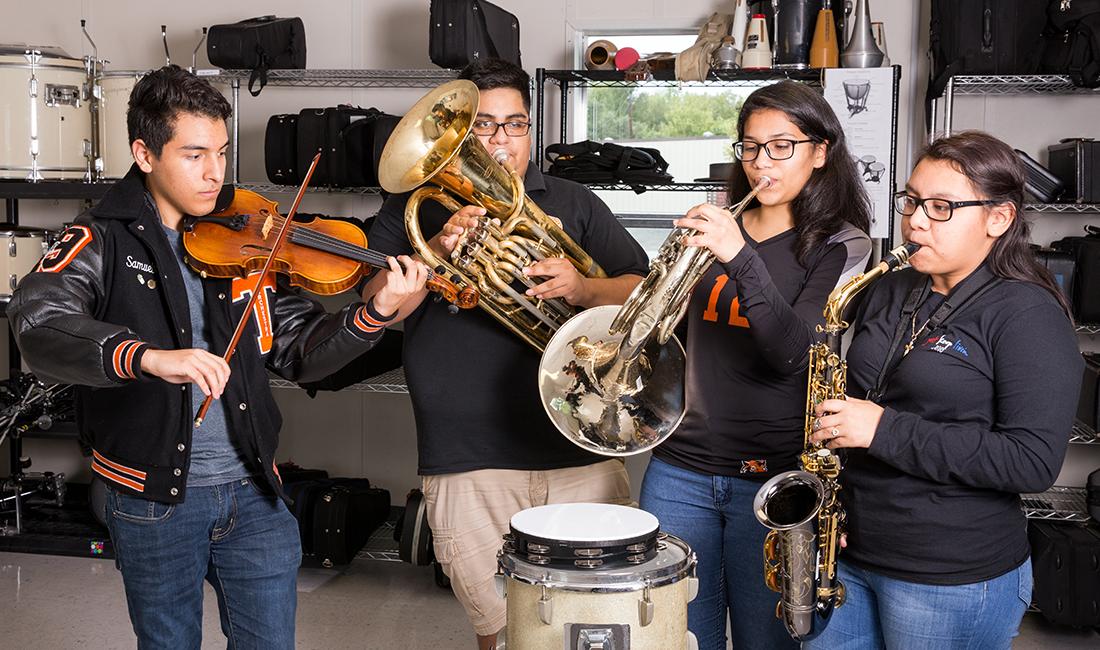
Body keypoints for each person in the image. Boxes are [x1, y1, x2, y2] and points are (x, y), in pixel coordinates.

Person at [6, 65, 427, 649]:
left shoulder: (245, 234)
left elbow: (299, 354)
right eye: (194, 154)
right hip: (152, 498)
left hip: (253, 490)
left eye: (222, 154)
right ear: (144, 154)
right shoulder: (100, 237)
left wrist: (375, 314)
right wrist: (146, 357)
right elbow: (38, 323)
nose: (214, 174)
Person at [362, 58, 650, 650]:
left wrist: (582, 288)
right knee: (503, 631)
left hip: (579, 447)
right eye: (484, 127)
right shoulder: (415, 209)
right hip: (468, 457)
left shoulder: (572, 200)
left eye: (515, 125)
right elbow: (377, 302)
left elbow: (641, 290)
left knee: (591, 624)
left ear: (530, 131)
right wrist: (439, 250)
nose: (500, 141)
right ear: (460, 137)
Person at [803, 131, 1083, 650]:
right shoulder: (887, 288)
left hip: (951, 576)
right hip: (851, 553)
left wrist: (882, 429)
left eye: (940, 207)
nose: (915, 221)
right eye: (911, 201)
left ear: (998, 219)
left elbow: (1030, 462)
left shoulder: (1029, 315)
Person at [638, 80, 873, 650]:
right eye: (750, 147)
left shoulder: (842, 246)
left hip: (769, 477)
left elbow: (793, 352)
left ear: (820, 153)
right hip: (679, 467)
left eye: (780, 146)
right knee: (674, 635)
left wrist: (738, 256)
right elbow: (664, 335)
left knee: (765, 640)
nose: (761, 162)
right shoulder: (719, 229)